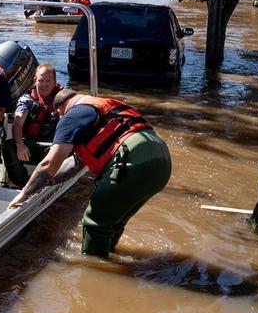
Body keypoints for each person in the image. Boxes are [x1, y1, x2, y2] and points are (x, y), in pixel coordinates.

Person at [10, 89, 172, 257]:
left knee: (94, 221)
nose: (58, 119)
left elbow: (48, 164)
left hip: (132, 159)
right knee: (113, 220)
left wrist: (24, 194)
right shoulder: (102, 105)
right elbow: (76, 164)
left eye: (58, 115)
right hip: (162, 160)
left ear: (60, 110)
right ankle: (111, 257)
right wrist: (47, 182)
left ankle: (95, 268)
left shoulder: (72, 115)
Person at [5, 63, 63, 187]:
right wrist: (20, 145)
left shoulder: (63, 99)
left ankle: (48, 184)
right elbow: (18, 123)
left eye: (48, 81)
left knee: (58, 151)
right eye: (41, 80)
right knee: (8, 147)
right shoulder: (26, 100)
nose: (44, 84)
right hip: (30, 145)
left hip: (51, 146)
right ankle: (21, 183)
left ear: (54, 82)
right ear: (35, 81)